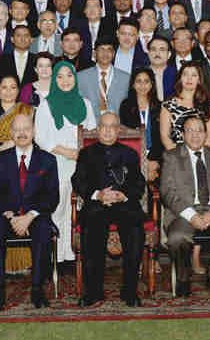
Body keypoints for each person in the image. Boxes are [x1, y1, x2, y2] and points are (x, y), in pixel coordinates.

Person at [160, 116, 210, 297]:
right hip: (184, 212)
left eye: (199, 130)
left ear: (206, 134)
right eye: (190, 130)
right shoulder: (171, 157)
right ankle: (183, 276)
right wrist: (191, 216)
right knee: (177, 238)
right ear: (182, 135)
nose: (195, 135)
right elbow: (167, 191)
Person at [72, 112, 146, 307]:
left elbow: (139, 183)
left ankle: (130, 290)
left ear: (118, 130)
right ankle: (93, 291)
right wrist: (98, 194)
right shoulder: (86, 154)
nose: (107, 130)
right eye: (103, 126)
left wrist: (123, 194)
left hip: (125, 205)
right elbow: (78, 181)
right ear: (98, 129)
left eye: (112, 126)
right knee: (91, 228)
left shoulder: (130, 154)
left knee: (135, 229)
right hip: (97, 205)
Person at [0, 114, 59, 310]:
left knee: (43, 231)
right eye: (17, 130)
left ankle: (37, 289)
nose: (22, 133)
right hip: (7, 215)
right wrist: (8, 213)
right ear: (11, 133)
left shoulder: (48, 160)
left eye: (26, 128)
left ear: (33, 131)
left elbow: (52, 197)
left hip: (35, 215)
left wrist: (30, 216)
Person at [35, 61, 97, 263]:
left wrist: (81, 152)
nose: (65, 81)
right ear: (54, 80)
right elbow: (41, 137)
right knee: (59, 208)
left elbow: (92, 132)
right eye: (59, 76)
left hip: (81, 164)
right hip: (56, 163)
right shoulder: (46, 104)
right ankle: (56, 257)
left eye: (69, 76)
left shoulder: (85, 103)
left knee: (77, 209)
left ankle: (72, 254)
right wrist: (65, 151)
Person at [119, 68, 163, 181]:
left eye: (146, 81)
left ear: (152, 84)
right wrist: (142, 160)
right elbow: (126, 138)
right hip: (133, 156)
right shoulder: (126, 106)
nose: (142, 85)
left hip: (156, 157)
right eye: (138, 81)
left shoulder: (160, 107)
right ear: (133, 84)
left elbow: (162, 137)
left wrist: (153, 161)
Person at [160, 62, 210, 150]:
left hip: (202, 156)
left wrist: (199, 157)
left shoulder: (208, 104)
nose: (189, 79)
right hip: (176, 155)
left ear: (199, 80)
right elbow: (165, 137)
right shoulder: (168, 105)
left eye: (194, 75)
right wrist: (179, 157)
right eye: (185, 74)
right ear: (180, 78)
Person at [77, 38, 129, 119]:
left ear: (114, 53)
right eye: (101, 49)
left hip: (117, 128)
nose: (105, 53)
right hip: (89, 127)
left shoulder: (126, 78)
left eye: (109, 50)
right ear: (94, 53)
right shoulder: (80, 77)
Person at [147, 35, 175, 101]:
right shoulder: (139, 74)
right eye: (153, 49)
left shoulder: (177, 75)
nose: (157, 53)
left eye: (162, 50)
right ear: (148, 53)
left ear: (169, 54)